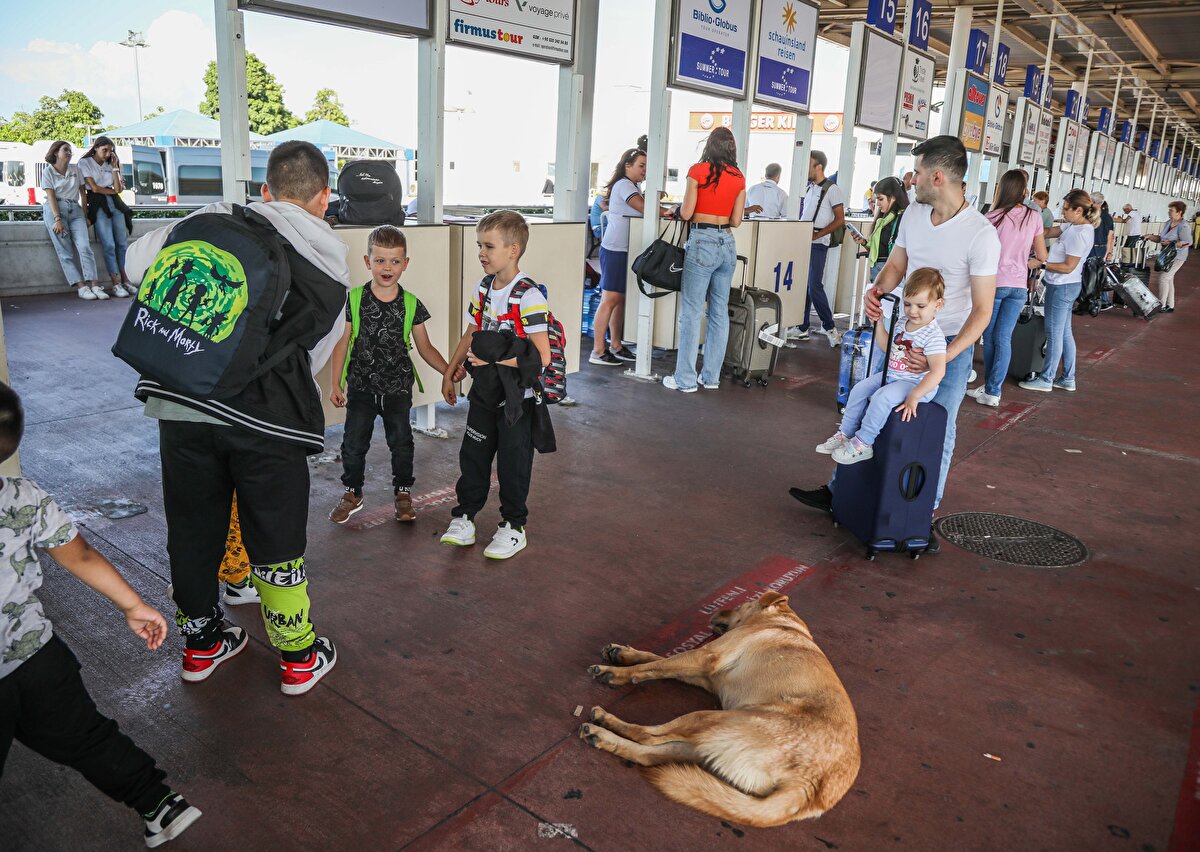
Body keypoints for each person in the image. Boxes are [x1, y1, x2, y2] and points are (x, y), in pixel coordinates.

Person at [124, 140, 349, 696]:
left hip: (183, 401)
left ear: (265, 191)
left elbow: (135, 267)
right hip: (267, 420)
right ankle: (298, 657)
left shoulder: (215, 220)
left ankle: (201, 645)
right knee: (275, 533)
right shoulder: (330, 265)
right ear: (324, 198)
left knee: (192, 527)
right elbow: (313, 356)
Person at [0, 382, 201, 847]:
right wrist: (133, 605)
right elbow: (81, 555)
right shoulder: (23, 496)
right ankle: (156, 800)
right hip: (37, 656)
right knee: (85, 736)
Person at [790, 135, 1000, 538]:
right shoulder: (914, 215)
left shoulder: (980, 234)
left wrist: (943, 358)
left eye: (917, 172)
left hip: (947, 343)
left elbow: (982, 311)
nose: (911, 180)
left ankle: (922, 511)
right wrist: (877, 291)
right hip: (904, 335)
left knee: (938, 426)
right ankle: (839, 490)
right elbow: (896, 266)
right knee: (871, 401)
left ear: (937, 177)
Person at [439, 211, 551, 559]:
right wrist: (450, 370)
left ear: (513, 250)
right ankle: (465, 517)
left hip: (517, 398)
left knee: (513, 464)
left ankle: (514, 526)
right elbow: (472, 332)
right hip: (484, 393)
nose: (481, 253)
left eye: (488, 246)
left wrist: (493, 362)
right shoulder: (483, 288)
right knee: (473, 455)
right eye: (479, 246)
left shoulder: (529, 296)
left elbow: (541, 357)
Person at [327, 225, 451, 525]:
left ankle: (403, 492)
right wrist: (335, 383)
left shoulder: (411, 304)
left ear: (405, 264)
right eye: (380, 260)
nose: (387, 267)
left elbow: (425, 347)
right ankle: (352, 492)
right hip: (361, 388)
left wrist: (449, 372)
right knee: (353, 444)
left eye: (395, 261)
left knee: (402, 443)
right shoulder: (353, 300)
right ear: (367, 261)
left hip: (398, 390)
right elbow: (342, 343)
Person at [816, 269, 947, 465]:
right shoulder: (903, 322)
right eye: (907, 304)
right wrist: (879, 324)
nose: (912, 311)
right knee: (859, 389)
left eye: (920, 306)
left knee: (882, 397)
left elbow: (938, 371)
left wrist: (915, 395)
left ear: (938, 305)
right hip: (893, 375)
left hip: (916, 383)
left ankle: (864, 442)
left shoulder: (933, 335)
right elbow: (887, 347)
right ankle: (846, 432)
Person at [664, 126, 746, 392]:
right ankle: (710, 378)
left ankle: (685, 380)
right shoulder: (739, 177)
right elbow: (736, 220)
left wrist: (676, 209)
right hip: (727, 244)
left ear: (709, 145)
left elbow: (687, 213)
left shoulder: (697, 171)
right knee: (718, 312)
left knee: (691, 312)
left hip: (702, 241)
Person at [968, 169, 1049, 407]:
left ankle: (990, 389)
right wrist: (1025, 262)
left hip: (993, 284)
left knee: (990, 338)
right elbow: (1042, 256)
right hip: (1018, 286)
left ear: (1001, 189)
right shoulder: (1033, 216)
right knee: (1004, 338)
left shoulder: (991, 217)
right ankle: (993, 391)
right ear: (1023, 191)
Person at [1018, 189, 1099, 393]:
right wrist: (1030, 220)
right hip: (1063, 286)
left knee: (1054, 334)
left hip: (1063, 286)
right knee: (1064, 333)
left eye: (1066, 209)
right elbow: (1047, 232)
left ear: (1078, 210)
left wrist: (1041, 264)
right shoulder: (1072, 225)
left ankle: (1046, 379)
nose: (1063, 212)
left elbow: (1068, 266)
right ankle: (1068, 378)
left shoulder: (1080, 233)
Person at [590, 148, 646, 366]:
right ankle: (597, 350)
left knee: (619, 299)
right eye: (641, 165)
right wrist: (665, 210)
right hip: (615, 249)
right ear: (627, 166)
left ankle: (616, 344)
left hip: (624, 250)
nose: (644, 170)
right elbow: (642, 207)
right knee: (610, 299)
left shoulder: (633, 186)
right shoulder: (624, 185)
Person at [39, 141, 104, 301]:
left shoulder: (75, 169)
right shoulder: (48, 171)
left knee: (85, 247)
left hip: (75, 210)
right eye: (65, 150)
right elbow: (51, 197)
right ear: (56, 152)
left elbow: (83, 194)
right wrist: (57, 219)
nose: (69, 153)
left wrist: (85, 215)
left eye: (70, 150)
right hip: (56, 210)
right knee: (65, 252)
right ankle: (81, 287)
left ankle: (95, 285)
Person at [792, 151, 844, 347]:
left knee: (814, 286)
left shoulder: (832, 189)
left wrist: (817, 235)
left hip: (818, 243)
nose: (805, 169)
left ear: (818, 166)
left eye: (809, 165)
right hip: (805, 241)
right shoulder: (810, 188)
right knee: (805, 286)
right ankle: (802, 327)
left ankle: (830, 328)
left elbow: (840, 219)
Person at [78, 136, 134, 297]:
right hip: (97, 203)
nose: (108, 154)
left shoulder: (111, 163)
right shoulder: (85, 163)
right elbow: (94, 188)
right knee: (108, 244)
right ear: (95, 147)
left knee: (122, 243)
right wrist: (113, 190)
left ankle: (126, 279)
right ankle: (115, 283)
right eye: (105, 150)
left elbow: (118, 189)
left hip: (115, 203)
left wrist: (115, 167)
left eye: (111, 151)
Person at [850, 176, 908, 281]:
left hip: (890, 274)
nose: (877, 203)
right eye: (877, 199)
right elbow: (879, 249)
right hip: (878, 270)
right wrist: (864, 242)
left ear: (893, 197)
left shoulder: (902, 219)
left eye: (880, 199)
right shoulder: (883, 219)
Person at [1143, 200, 1192, 314]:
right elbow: (1161, 239)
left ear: (1179, 212)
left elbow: (1188, 242)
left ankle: (1162, 304)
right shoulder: (1168, 223)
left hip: (1178, 256)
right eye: (1169, 210)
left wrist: (1172, 243)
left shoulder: (1183, 226)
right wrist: (1150, 236)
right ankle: (1170, 305)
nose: (1169, 212)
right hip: (1166, 255)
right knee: (1169, 279)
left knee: (1164, 278)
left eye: (1172, 210)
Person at [1089, 192, 1115, 262]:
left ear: (1092, 201)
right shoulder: (1108, 217)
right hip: (1102, 250)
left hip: (1090, 249)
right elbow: (1111, 237)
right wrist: (1109, 252)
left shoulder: (1089, 215)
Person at [1114, 202, 1142, 267]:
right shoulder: (1135, 213)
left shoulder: (1132, 213)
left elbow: (1125, 221)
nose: (1124, 212)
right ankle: (1126, 262)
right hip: (1133, 234)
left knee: (1128, 249)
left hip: (1134, 234)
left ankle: (1128, 264)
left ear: (1128, 209)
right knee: (1127, 248)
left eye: (1124, 210)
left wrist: (1116, 219)